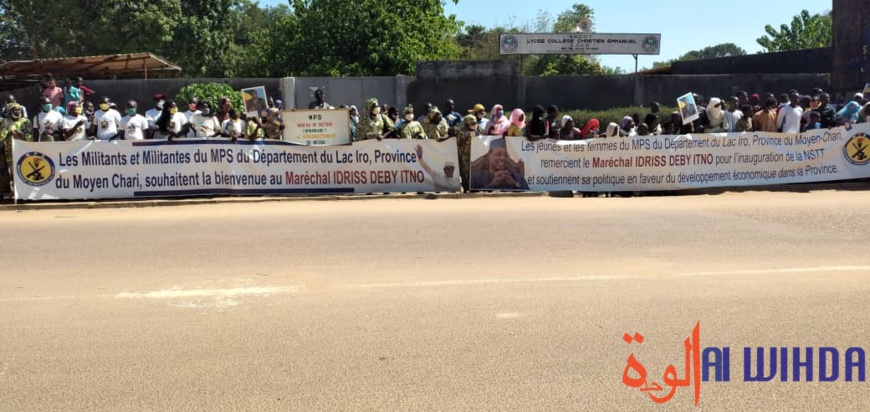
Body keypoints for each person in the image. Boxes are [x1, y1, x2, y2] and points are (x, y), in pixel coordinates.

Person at [0, 104, 31, 195]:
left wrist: (20, 134)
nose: (17, 112)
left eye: (19, 110)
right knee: (12, 171)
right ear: (10, 112)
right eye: (15, 110)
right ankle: (14, 192)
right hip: (10, 150)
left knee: (24, 169)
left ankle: (25, 192)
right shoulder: (5, 121)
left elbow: (30, 138)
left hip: (23, 150)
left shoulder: (26, 121)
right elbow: (1, 137)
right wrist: (9, 132)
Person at [454, 115, 479, 192]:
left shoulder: (478, 129)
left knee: (475, 170)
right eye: (472, 123)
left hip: (475, 153)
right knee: (465, 171)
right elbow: (458, 142)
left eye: (475, 122)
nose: (474, 124)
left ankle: (475, 187)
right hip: (464, 155)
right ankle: (466, 187)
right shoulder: (462, 131)